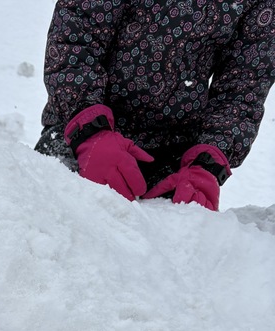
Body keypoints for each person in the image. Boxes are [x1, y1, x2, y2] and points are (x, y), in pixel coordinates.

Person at [35, 1, 275, 210]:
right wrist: (89, 130)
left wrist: (207, 164)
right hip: (81, 134)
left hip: (171, 160)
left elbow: (244, 85)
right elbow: (76, 34)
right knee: (47, 227)